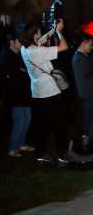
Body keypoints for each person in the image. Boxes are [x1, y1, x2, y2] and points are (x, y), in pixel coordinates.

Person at [19, 21, 70, 164]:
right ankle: (62, 154)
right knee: (59, 124)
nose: (40, 34)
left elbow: (40, 41)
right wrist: (59, 31)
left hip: (37, 92)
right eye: (38, 32)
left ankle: (40, 153)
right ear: (34, 35)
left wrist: (53, 29)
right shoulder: (37, 52)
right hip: (50, 92)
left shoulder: (25, 49)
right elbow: (64, 47)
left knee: (41, 125)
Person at [1, 33, 35, 157]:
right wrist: (23, 72)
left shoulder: (19, 55)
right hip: (16, 96)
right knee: (19, 121)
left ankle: (21, 143)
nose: (21, 44)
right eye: (19, 41)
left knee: (27, 119)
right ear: (12, 42)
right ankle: (12, 148)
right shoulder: (7, 56)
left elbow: (25, 71)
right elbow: (14, 75)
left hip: (24, 94)